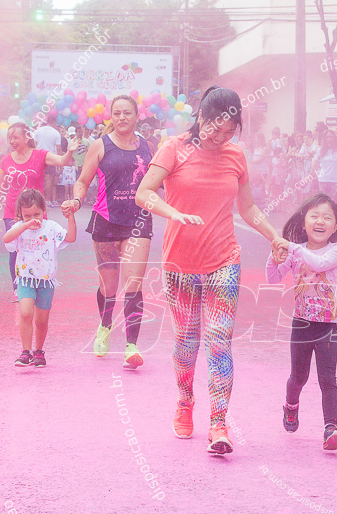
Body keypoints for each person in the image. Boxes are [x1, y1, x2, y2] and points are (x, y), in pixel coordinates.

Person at [135, 86, 289, 454]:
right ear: (201, 118)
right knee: (187, 344)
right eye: (214, 129)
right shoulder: (173, 149)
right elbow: (145, 193)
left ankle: (219, 423)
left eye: (228, 132)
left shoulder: (235, 156)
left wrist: (274, 236)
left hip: (224, 261)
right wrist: (173, 213)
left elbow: (248, 209)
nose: (220, 138)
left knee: (219, 343)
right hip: (180, 263)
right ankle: (185, 401)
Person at [64, 94, 154, 369]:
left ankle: (131, 346)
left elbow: (159, 182)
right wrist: (77, 200)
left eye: (127, 113)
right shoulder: (100, 146)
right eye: (117, 113)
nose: (122, 118)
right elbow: (83, 180)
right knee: (109, 286)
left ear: (137, 116)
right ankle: (105, 326)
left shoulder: (148, 148)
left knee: (133, 284)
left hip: (138, 221)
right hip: (105, 220)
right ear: (110, 117)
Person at [266, 193, 337, 450]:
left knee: (327, 379)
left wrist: (292, 247)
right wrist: (275, 256)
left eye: (327, 217)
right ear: (304, 223)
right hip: (301, 324)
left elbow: (319, 263)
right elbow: (273, 278)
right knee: (299, 377)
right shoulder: (296, 252)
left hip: (327, 326)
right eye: (314, 215)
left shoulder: (334, 251)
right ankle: (291, 405)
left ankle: (330, 428)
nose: (320, 221)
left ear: (335, 228)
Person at [0, 122, 78, 302]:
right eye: (10, 138)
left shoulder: (40, 156)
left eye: (16, 137)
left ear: (27, 137)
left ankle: (40, 282)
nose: (12, 141)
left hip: (36, 211)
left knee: (39, 247)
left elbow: (62, 161)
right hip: (13, 212)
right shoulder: (7, 160)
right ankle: (18, 287)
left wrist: (69, 151)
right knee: (15, 249)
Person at [3, 189, 77, 368]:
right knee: (26, 313)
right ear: (20, 213)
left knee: (41, 320)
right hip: (25, 279)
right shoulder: (19, 228)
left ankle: (39, 351)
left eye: (37, 214)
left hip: (45, 281)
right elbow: (6, 239)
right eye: (27, 215)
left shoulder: (50, 227)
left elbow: (71, 238)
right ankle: (25, 352)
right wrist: (24, 225)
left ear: (44, 210)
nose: (33, 219)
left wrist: (70, 217)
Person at [33, 112, 63, 206]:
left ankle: (36, 200)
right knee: (49, 179)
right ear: (54, 122)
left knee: (38, 179)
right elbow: (58, 149)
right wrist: (60, 163)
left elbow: (34, 144)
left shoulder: (38, 130)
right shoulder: (56, 133)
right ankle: (47, 201)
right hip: (50, 157)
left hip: (38, 157)